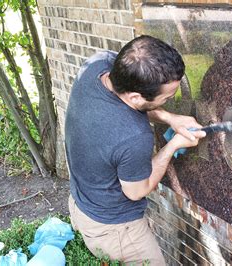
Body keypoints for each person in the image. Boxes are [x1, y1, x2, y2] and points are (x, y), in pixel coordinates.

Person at [64, 35, 206, 265]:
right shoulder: (133, 136)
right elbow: (136, 191)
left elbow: (128, 106)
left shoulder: (97, 67)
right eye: (167, 98)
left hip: (82, 203)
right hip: (115, 230)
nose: (171, 99)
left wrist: (170, 118)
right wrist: (173, 145)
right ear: (136, 97)